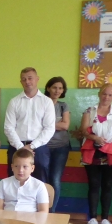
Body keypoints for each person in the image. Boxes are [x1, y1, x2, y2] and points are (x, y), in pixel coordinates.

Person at [80, 83, 112, 224]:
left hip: (111, 153)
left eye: (110, 95)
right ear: (99, 94)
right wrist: (95, 138)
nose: (106, 97)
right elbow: (84, 130)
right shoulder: (89, 111)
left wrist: (104, 138)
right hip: (91, 152)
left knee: (108, 185)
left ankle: (105, 218)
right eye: (104, 93)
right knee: (93, 184)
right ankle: (92, 217)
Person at [3, 67, 55, 183]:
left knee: (40, 182)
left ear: (37, 79)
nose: (27, 81)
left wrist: (31, 146)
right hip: (16, 146)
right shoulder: (14, 102)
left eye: (30, 78)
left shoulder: (46, 102)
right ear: (21, 82)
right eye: (24, 79)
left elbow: (49, 128)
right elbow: (8, 127)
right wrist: (21, 147)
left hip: (39, 148)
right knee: (14, 181)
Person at [0, 148, 49, 212]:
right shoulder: (3, 183)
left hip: (30, 218)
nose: (20, 170)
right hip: (7, 217)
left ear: (32, 168)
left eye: (25, 167)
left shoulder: (39, 185)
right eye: (16, 166)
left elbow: (43, 211)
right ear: (12, 167)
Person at [45, 76, 71, 212]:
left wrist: (47, 125)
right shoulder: (41, 103)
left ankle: (52, 211)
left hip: (61, 147)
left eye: (60, 88)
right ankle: (42, 209)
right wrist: (56, 124)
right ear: (48, 88)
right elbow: (36, 125)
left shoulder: (63, 106)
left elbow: (65, 125)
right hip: (43, 146)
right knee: (42, 179)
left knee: (55, 179)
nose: (57, 91)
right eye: (54, 87)